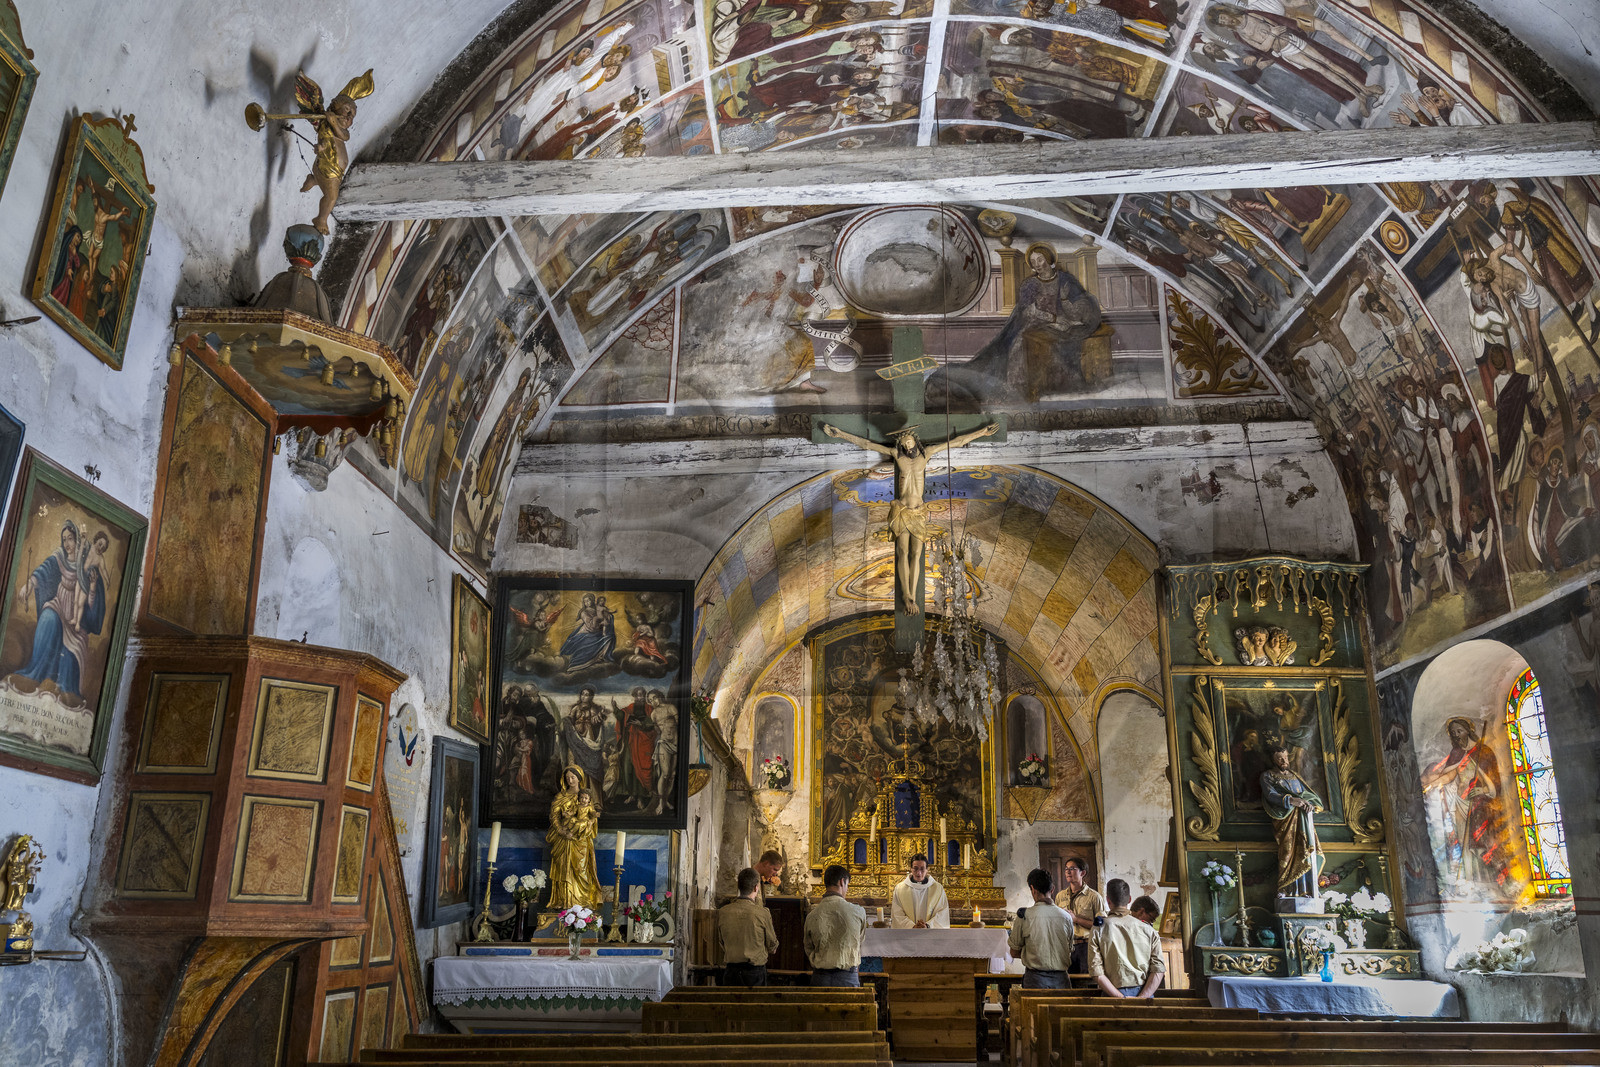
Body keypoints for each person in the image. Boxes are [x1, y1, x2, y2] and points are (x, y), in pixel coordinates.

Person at [1261, 745, 1324, 898]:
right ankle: (1286, 888)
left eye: (1286, 757)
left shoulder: (1294, 775)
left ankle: (1307, 889)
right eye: (1280, 758)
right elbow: (1270, 795)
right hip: (1286, 819)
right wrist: (1291, 800)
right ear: (1273, 760)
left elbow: (1308, 794)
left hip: (1303, 819)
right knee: (1288, 852)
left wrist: (1307, 802)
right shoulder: (1268, 776)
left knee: (1306, 850)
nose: (1284, 761)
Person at [1089, 879, 1165, 998]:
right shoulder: (1149, 930)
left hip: (1112, 994)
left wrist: (1121, 998)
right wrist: (1142, 998)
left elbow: (1096, 972)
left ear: (1108, 900)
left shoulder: (1099, 928)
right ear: (1129, 899)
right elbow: (1158, 970)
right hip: (1144, 992)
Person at [547, 766, 603, 910]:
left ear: (579, 778)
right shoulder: (560, 797)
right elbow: (554, 817)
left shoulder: (586, 797)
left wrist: (589, 823)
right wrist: (562, 831)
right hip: (563, 838)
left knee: (581, 869)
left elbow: (592, 817)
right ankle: (563, 901)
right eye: (567, 778)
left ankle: (582, 902)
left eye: (573, 777)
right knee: (563, 869)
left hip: (581, 839)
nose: (570, 780)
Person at [1009, 868, 1075, 988]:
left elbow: (1013, 952)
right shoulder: (1066, 917)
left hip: (1035, 980)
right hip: (1061, 980)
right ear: (1052, 889)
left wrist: (1031, 952)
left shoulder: (1025, 916)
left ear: (1033, 889)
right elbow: (1069, 949)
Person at [805, 864, 867, 987]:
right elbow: (859, 943)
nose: (846, 889)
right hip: (847, 977)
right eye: (847, 885)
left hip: (820, 977)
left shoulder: (812, 915)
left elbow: (808, 947)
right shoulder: (858, 912)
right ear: (842, 882)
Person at [719, 867, 779, 987]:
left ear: (739, 886)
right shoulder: (762, 913)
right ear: (756, 887)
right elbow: (772, 947)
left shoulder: (723, 912)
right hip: (754, 974)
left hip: (731, 972)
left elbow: (722, 943)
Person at [1053, 857, 1105, 973]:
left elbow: (1101, 927)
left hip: (1086, 946)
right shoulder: (1060, 896)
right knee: (1068, 983)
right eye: (1066, 869)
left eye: (1072, 868)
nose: (1068, 871)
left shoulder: (1094, 897)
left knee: (1086, 982)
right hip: (1066, 947)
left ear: (1083, 873)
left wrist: (1076, 919)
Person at [891, 854, 950, 929]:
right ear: (911, 869)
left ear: (927, 869)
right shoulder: (900, 888)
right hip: (907, 935)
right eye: (915, 868)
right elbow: (897, 914)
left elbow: (942, 913)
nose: (919, 873)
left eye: (922, 869)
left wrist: (928, 925)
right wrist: (912, 926)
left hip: (930, 935)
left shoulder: (937, 888)